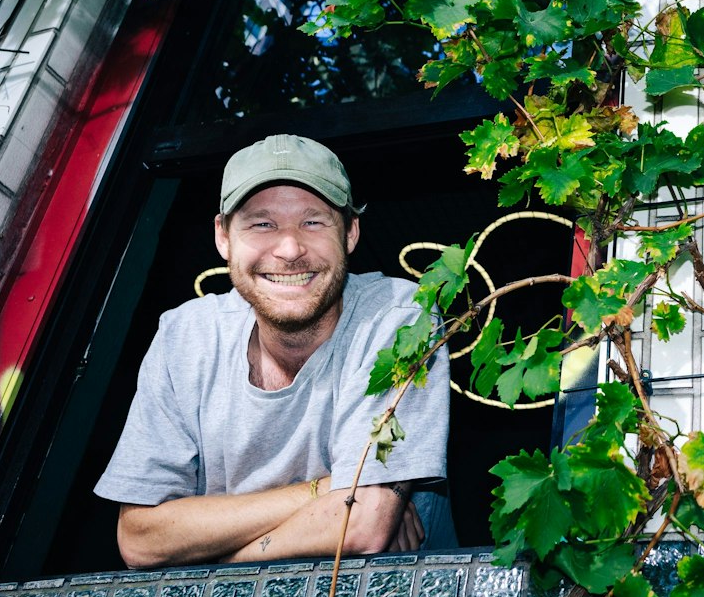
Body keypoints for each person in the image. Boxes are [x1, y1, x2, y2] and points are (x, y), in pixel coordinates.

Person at [95, 134, 450, 568]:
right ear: (223, 237)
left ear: (351, 232)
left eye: (313, 222)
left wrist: (207, 562)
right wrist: (322, 490)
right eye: (262, 224)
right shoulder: (185, 336)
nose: (289, 249)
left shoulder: (398, 317)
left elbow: (361, 526)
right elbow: (139, 539)